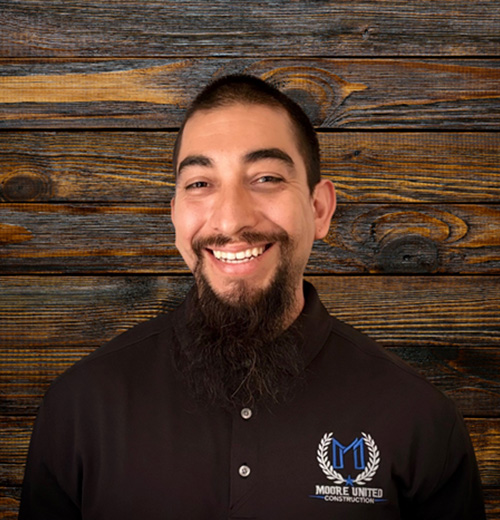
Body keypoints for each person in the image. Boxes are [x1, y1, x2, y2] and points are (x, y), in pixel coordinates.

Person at [19, 74, 485, 519]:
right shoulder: (79, 409)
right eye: (200, 184)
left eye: (265, 178)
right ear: (176, 215)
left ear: (319, 209)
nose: (229, 220)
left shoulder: (419, 419)